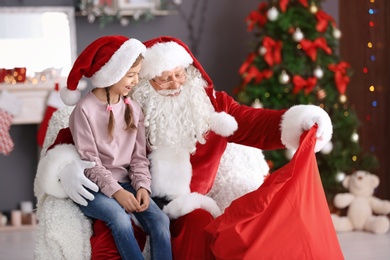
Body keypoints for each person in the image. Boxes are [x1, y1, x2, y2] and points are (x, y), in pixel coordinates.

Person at [37, 36, 336, 259]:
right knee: (110, 238)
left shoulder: (211, 105)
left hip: (187, 203)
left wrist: (301, 122)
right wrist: (65, 166)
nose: (175, 84)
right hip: (128, 194)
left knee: (200, 228)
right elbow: (71, 135)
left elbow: (254, 123)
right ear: (142, 82)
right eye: (163, 79)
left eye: (180, 75)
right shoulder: (126, 104)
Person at [58, 35, 172, 260]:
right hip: (92, 186)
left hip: (126, 183)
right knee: (118, 217)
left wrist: (142, 187)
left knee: (161, 221)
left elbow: (139, 158)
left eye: (137, 74)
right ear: (112, 73)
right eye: (131, 75)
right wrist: (117, 193)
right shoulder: (84, 110)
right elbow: (90, 162)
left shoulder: (134, 109)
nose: (136, 80)